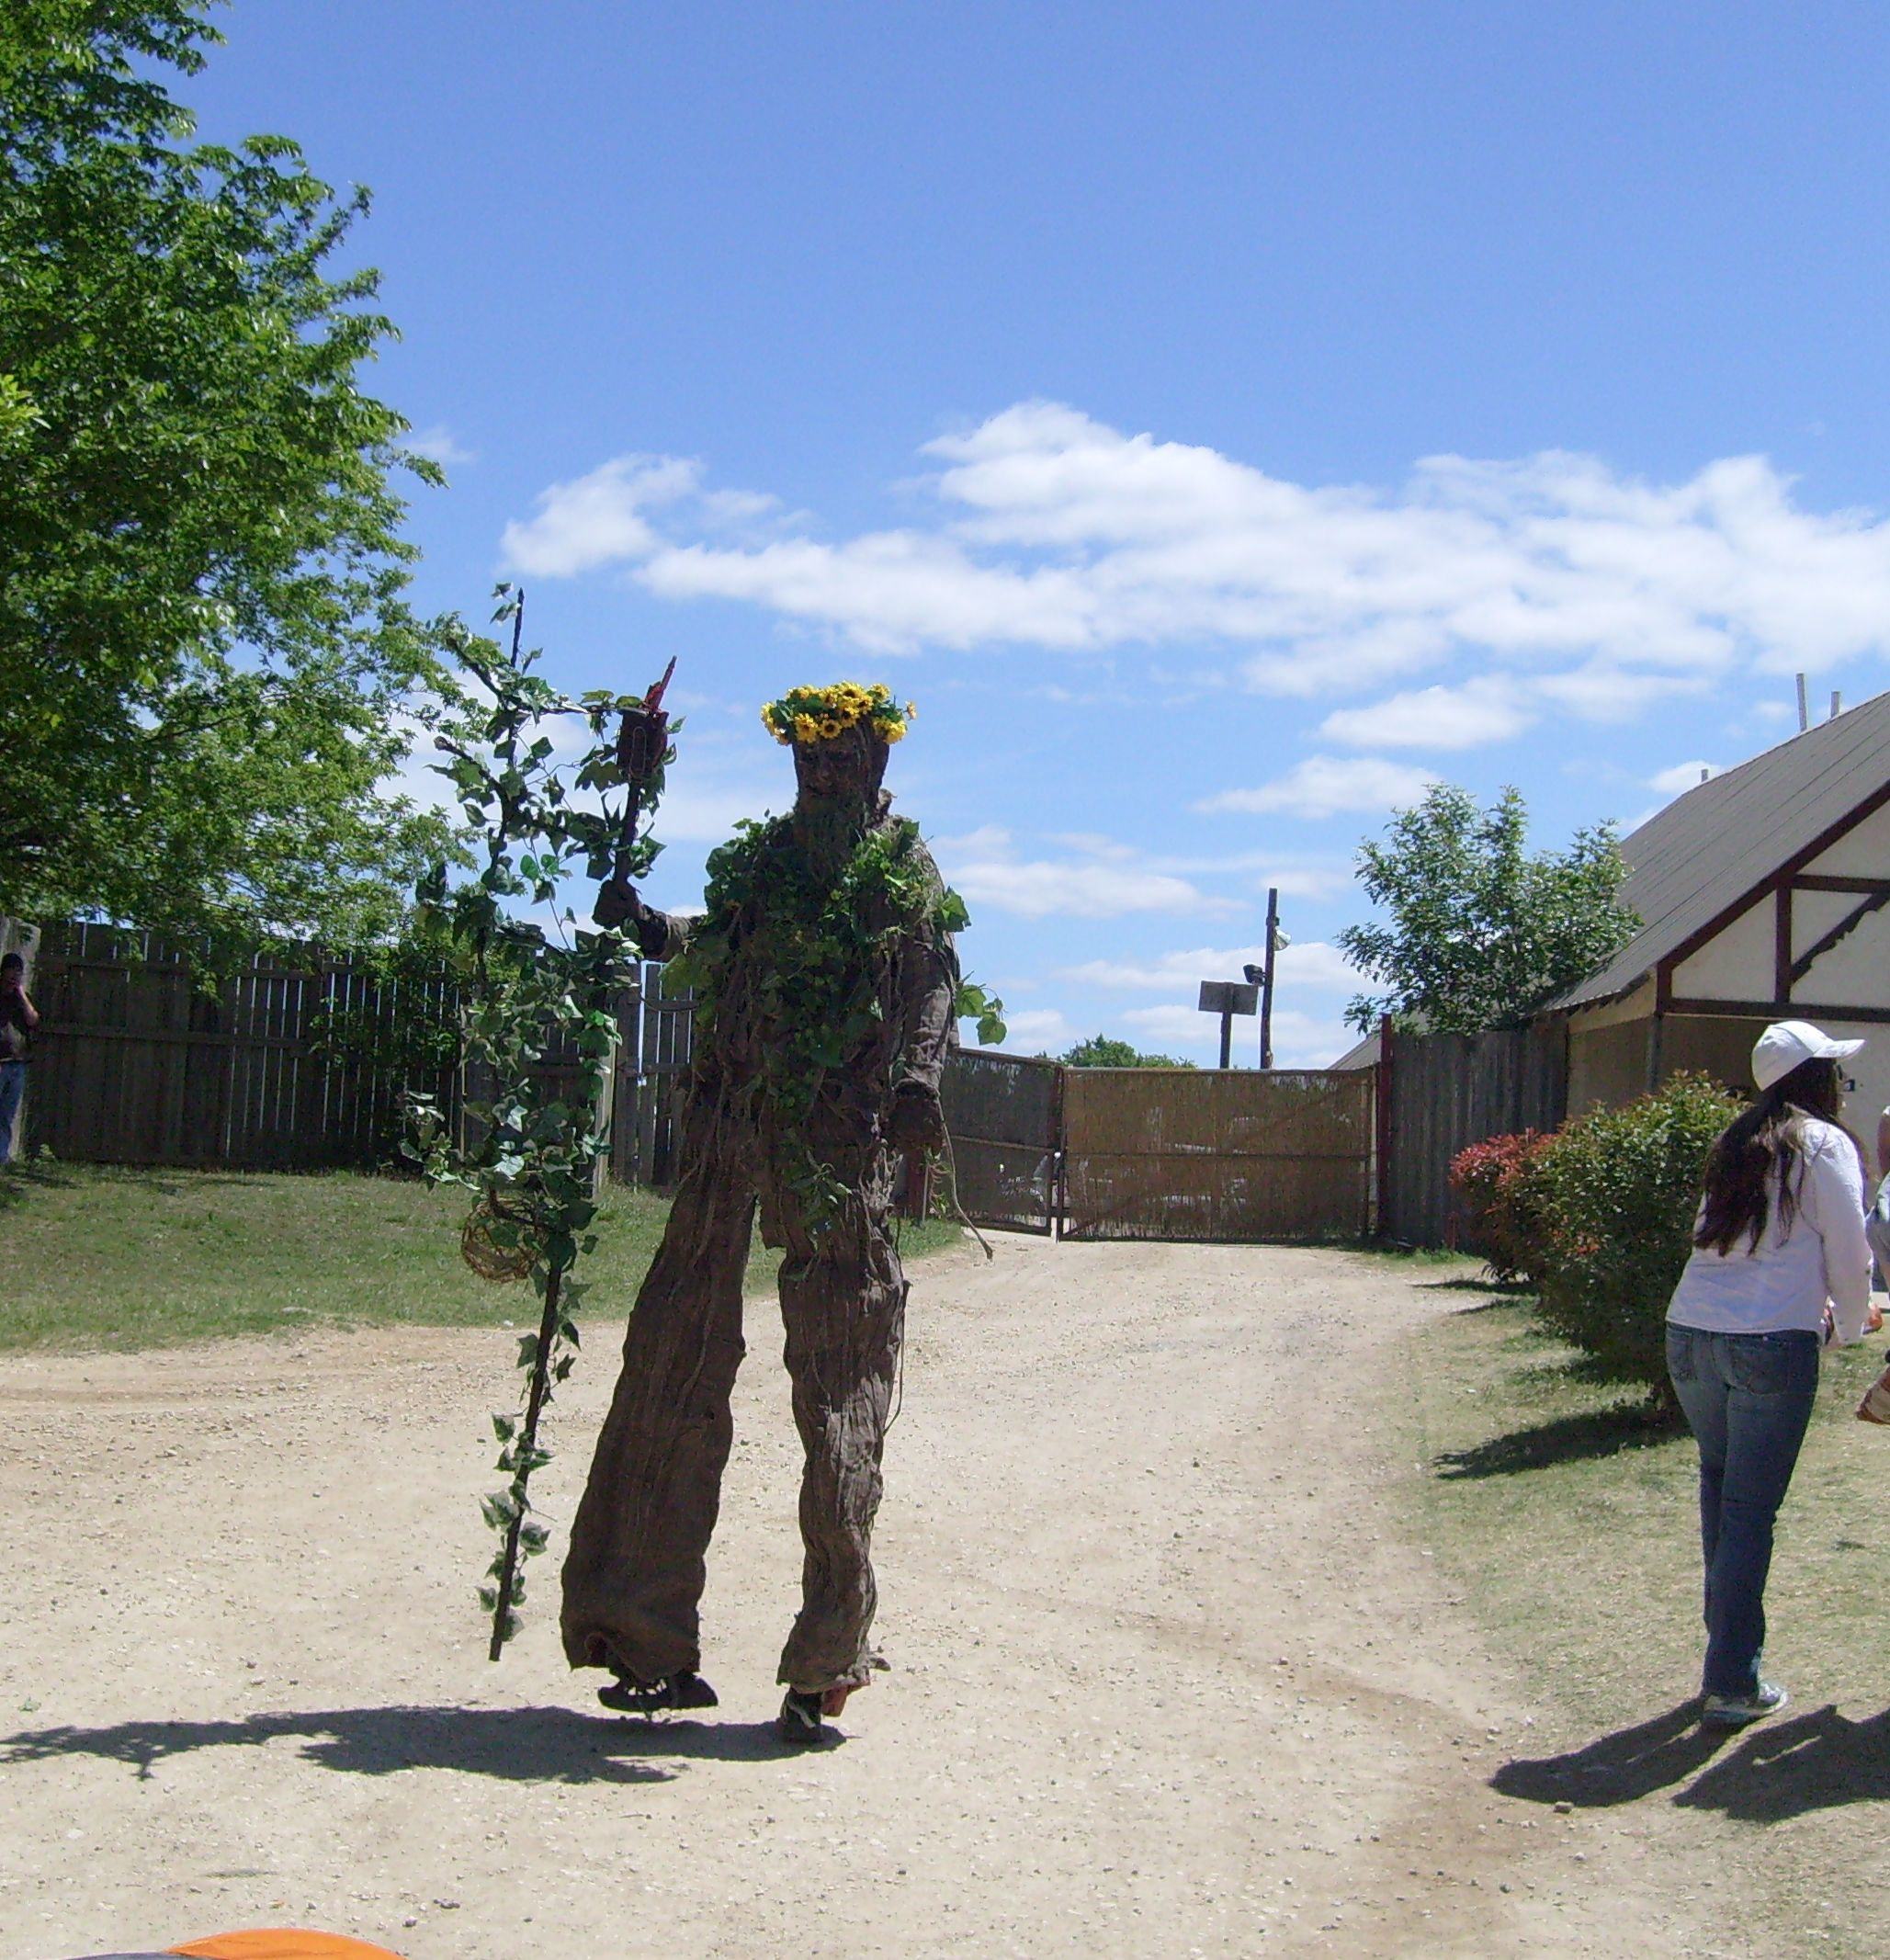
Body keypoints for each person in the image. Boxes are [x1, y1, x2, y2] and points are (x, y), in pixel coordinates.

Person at [560, 683, 957, 1744]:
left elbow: (928, 977)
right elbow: (717, 940)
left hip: (835, 1149)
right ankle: (641, 1635)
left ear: (876, 763)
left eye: (839, 761)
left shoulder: (900, 870)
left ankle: (826, 1655)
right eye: (806, 762)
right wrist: (646, 923)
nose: (819, 778)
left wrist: (916, 1080)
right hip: (728, 1127)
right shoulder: (766, 866)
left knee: (838, 1387)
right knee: (671, 1358)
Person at [1666, 1019, 1879, 1728]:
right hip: (1767, 1340)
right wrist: (1851, 1326)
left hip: (1692, 1332)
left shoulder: (1735, 1140)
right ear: (1815, 1080)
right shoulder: (1822, 1144)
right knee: (1748, 1511)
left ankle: (1724, 1649)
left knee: (1721, 1492)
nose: (1842, 1086)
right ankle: (1731, 1675)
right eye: (1835, 1074)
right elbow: (1849, 1249)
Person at [0, 950, 39, 1164]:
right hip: (1, 1062)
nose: (15, 976)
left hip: (18, 1063)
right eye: (11, 971)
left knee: (7, 1114)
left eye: (19, 972)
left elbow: (33, 1020)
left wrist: (22, 995)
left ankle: (1, 1157)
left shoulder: (22, 1000)